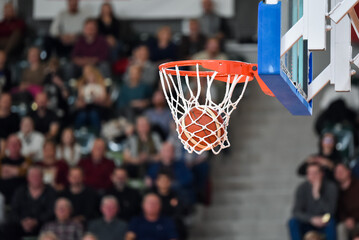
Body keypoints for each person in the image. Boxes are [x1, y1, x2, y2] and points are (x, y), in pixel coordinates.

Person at [288, 163, 338, 240]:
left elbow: (331, 211)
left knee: (331, 222)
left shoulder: (331, 187)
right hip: (308, 221)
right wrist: (311, 219)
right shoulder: (302, 188)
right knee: (293, 222)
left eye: (315, 173)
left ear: (322, 174)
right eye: (309, 173)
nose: (312, 176)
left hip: (324, 219)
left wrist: (317, 195)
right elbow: (296, 211)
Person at [5, 166, 56, 240]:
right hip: (21, 224)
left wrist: (36, 221)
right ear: (28, 178)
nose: (35, 178)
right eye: (33, 176)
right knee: (7, 228)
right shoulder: (20, 191)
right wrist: (22, 222)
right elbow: (14, 210)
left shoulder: (50, 191)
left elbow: (51, 211)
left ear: (42, 177)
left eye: (38, 176)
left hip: (42, 224)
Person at [74, 65, 110, 135]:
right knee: (82, 116)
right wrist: (82, 100)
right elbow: (79, 101)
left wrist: (97, 99)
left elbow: (105, 100)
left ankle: (97, 135)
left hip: (98, 108)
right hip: (85, 108)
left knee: (94, 115)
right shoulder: (83, 87)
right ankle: (77, 134)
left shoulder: (100, 86)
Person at [150, 171, 186, 239]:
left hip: (170, 222)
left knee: (178, 225)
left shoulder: (175, 195)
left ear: (170, 182)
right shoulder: (151, 195)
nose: (164, 182)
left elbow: (181, 211)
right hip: (154, 221)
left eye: (166, 180)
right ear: (156, 182)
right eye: (162, 180)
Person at [0, 134, 31, 204]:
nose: (13, 146)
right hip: (2, 198)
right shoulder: (1, 160)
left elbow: (26, 172)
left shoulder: (27, 160)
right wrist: (18, 170)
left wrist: (8, 170)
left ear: (21, 146)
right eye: (11, 144)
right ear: (7, 146)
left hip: (22, 199)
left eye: (16, 143)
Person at [334, 164, 359, 240]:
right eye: (337, 172)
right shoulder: (335, 190)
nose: (339, 174)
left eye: (341, 171)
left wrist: (354, 219)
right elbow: (337, 211)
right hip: (346, 223)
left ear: (348, 172)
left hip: (358, 221)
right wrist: (346, 219)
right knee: (341, 227)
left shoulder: (357, 186)